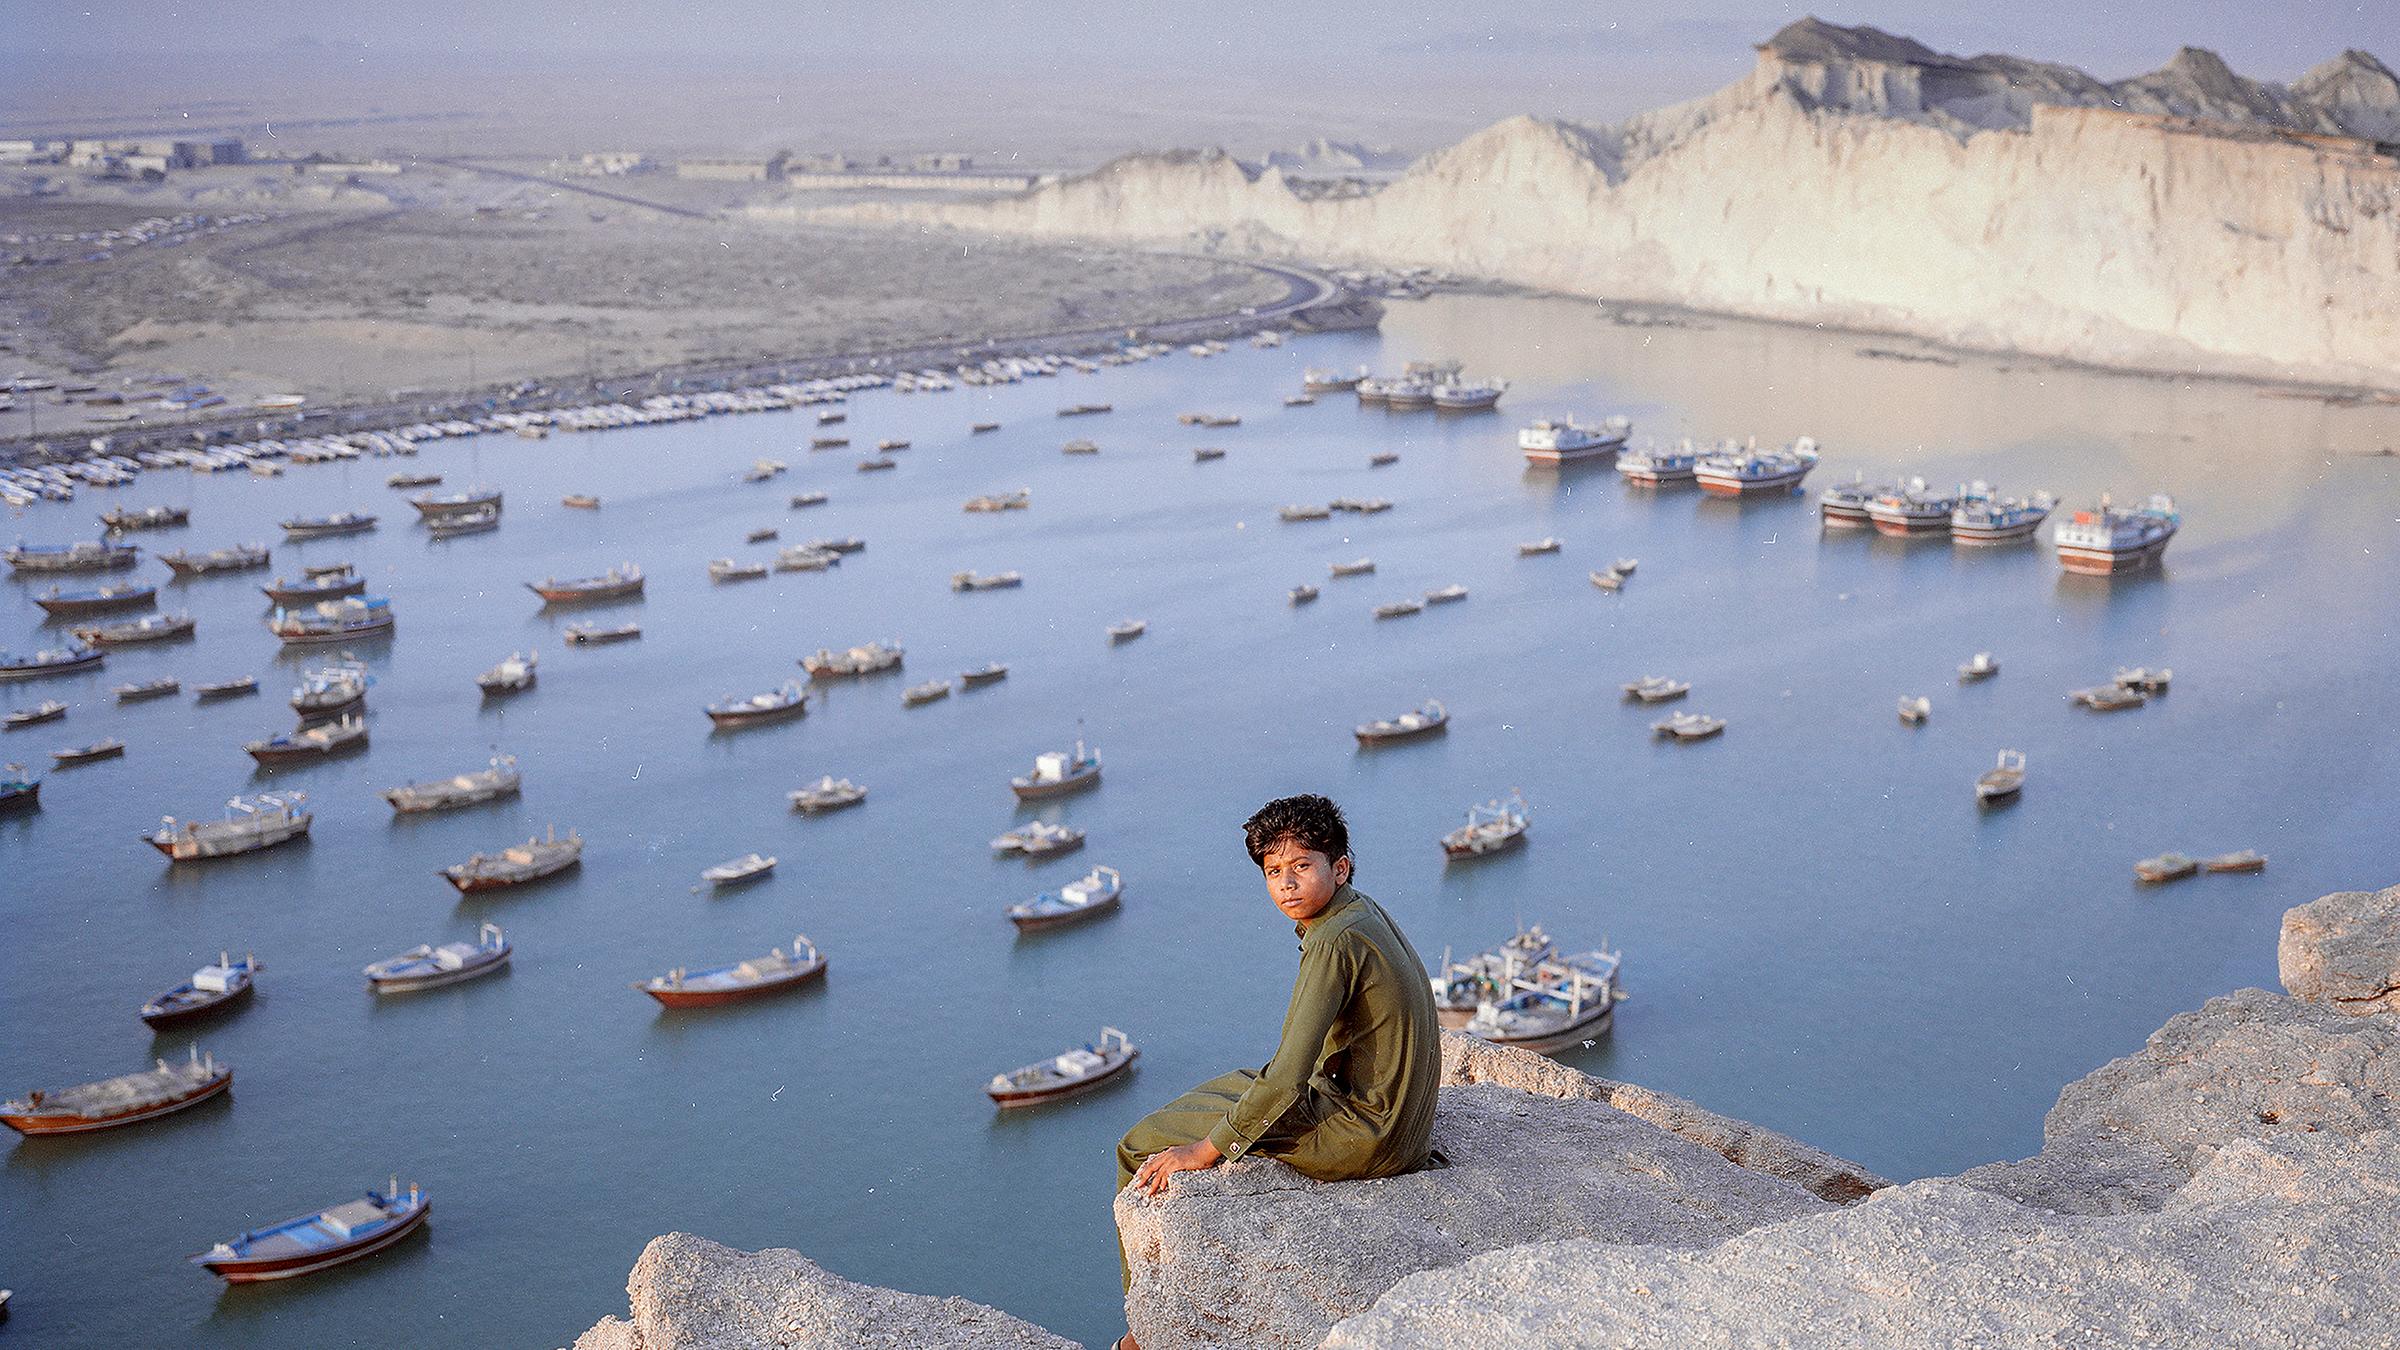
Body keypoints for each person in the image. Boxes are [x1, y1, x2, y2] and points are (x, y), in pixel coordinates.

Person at [1113, 794, 1441, 1299]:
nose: (1286, 884)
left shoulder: (1333, 940)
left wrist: (1206, 1150)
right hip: (1400, 1125)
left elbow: (1289, 1074)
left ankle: (1140, 1333)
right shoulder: (1359, 911)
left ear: (1340, 867)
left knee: (1138, 1146)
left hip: (1364, 1135)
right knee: (1238, 1086)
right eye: (1273, 871)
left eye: (1302, 866)